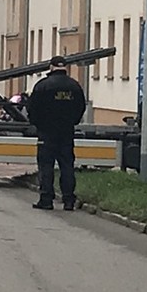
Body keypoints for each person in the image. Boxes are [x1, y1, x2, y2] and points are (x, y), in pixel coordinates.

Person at [26, 55, 86, 211]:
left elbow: (32, 108)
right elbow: (81, 107)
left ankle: (46, 199)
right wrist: (72, 122)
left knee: (46, 166)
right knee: (67, 165)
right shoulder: (74, 86)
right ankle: (69, 201)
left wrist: (37, 124)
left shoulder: (43, 86)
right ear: (65, 67)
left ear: (51, 67)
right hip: (66, 132)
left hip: (46, 132)